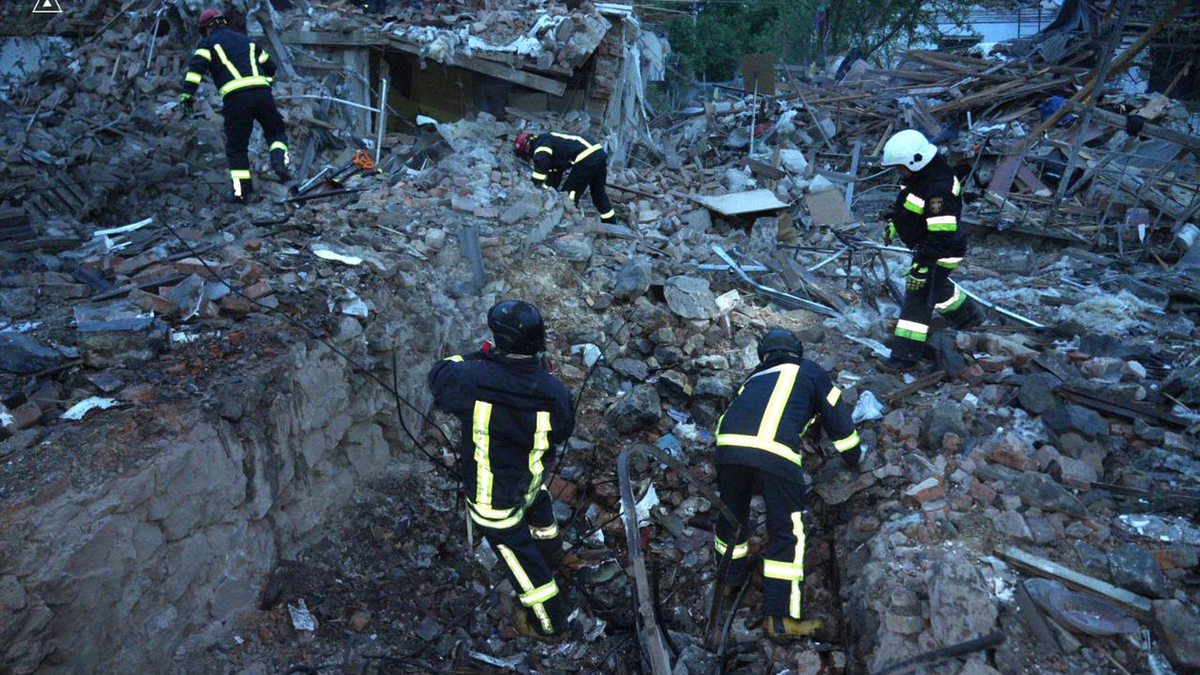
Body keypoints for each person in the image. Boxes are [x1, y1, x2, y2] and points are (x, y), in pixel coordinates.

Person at [428, 301, 575, 641]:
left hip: (493, 498)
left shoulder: (469, 378)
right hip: (530, 481)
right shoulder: (554, 392)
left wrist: (482, 356)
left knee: (521, 564)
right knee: (539, 511)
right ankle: (553, 556)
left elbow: (440, 373)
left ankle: (550, 624)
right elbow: (563, 430)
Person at [712, 329, 864, 641]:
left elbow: (730, 415)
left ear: (763, 355)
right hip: (775, 452)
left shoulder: (754, 378)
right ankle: (781, 618)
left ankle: (729, 581)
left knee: (731, 517)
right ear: (798, 351)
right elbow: (838, 417)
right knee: (787, 529)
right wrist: (852, 456)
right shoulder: (811, 372)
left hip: (728, 448)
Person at [877, 129, 984, 372]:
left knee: (917, 301)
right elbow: (914, 211)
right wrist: (896, 226)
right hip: (932, 247)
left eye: (900, 167)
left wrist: (923, 266)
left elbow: (941, 234)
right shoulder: (923, 177)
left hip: (940, 250)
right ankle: (969, 317)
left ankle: (903, 358)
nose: (898, 172)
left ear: (915, 160)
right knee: (938, 287)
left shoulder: (938, 188)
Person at [180, 8, 290, 203]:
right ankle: (280, 161)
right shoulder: (246, 40)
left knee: (237, 148)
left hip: (236, 99)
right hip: (262, 93)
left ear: (206, 28)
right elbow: (271, 66)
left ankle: (242, 193)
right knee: (276, 132)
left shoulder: (207, 44)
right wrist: (266, 83)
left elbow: (195, 71)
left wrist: (187, 97)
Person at [513, 130, 617, 223]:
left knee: (569, 193)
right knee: (598, 192)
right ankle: (611, 223)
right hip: (597, 152)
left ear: (526, 148)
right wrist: (546, 191)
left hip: (586, 155)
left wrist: (534, 185)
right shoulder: (551, 144)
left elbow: (541, 164)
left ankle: (570, 220)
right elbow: (554, 176)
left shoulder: (541, 144)